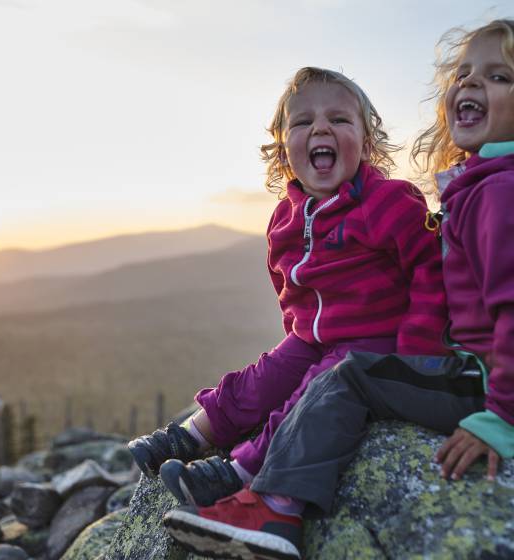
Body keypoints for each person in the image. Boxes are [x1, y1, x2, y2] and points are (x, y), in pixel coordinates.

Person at [162, 19, 514, 560]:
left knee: (347, 375)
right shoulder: (480, 183)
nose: (470, 84)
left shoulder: (496, 193)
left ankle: (275, 509)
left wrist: (501, 419)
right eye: (464, 73)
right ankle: (214, 446)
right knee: (300, 367)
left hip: (477, 380)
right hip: (467, 369)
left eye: (498, 76)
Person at [128, 66, 447, 508]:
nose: (320, 127)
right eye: (302, 122)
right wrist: (296, 337)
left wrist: (417, 351)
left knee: (313, 392)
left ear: (367, 144)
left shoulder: (389, 202)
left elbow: (432, 269)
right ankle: (191, 434)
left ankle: (241, 469)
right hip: (312, 337)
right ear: (283, 153)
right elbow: (287, 281)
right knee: (263, 377)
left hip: (376, 343)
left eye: (339, 119)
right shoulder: (285, 218)